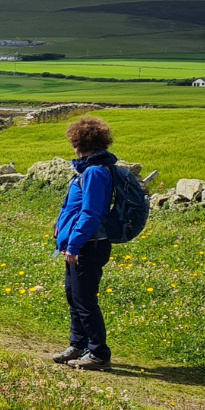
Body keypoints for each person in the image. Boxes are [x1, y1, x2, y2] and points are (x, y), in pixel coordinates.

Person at [51, 116, 118, 371]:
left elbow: (90, 213)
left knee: (84, 300)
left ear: (78, 142)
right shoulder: (87, 170)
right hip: (80, 243)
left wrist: (75, 245)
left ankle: (99, 354)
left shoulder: (94, 172)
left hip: (89, 245)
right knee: (73, 296)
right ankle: (77, 345)